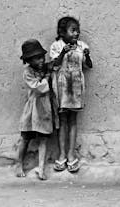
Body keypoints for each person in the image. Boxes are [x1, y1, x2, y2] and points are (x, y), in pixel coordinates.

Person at [50, 16, 92, 173]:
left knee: (73, 120)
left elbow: (89, 66)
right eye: (73, 30)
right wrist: (62, 53)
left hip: (76, 87)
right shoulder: (56, 46)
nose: (76, 33)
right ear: (62, 33)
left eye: (77, 30)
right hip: (62, 87)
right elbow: (54, 65)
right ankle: (61, 155)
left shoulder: (81, 46)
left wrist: (87, 55)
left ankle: (71, 154)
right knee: (62, 121)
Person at [16, 39, 55, 180]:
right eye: (36, 58)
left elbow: (53, 65)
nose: (40, 60)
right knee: (26, 137)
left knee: (44, 137)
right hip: (32, 108)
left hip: (44, 108)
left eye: (41, 57)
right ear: (28, 60)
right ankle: (19, 163)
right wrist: (47, 76)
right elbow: (38, 87)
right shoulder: (28, 72)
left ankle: (41, 167)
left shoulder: (44, 67)